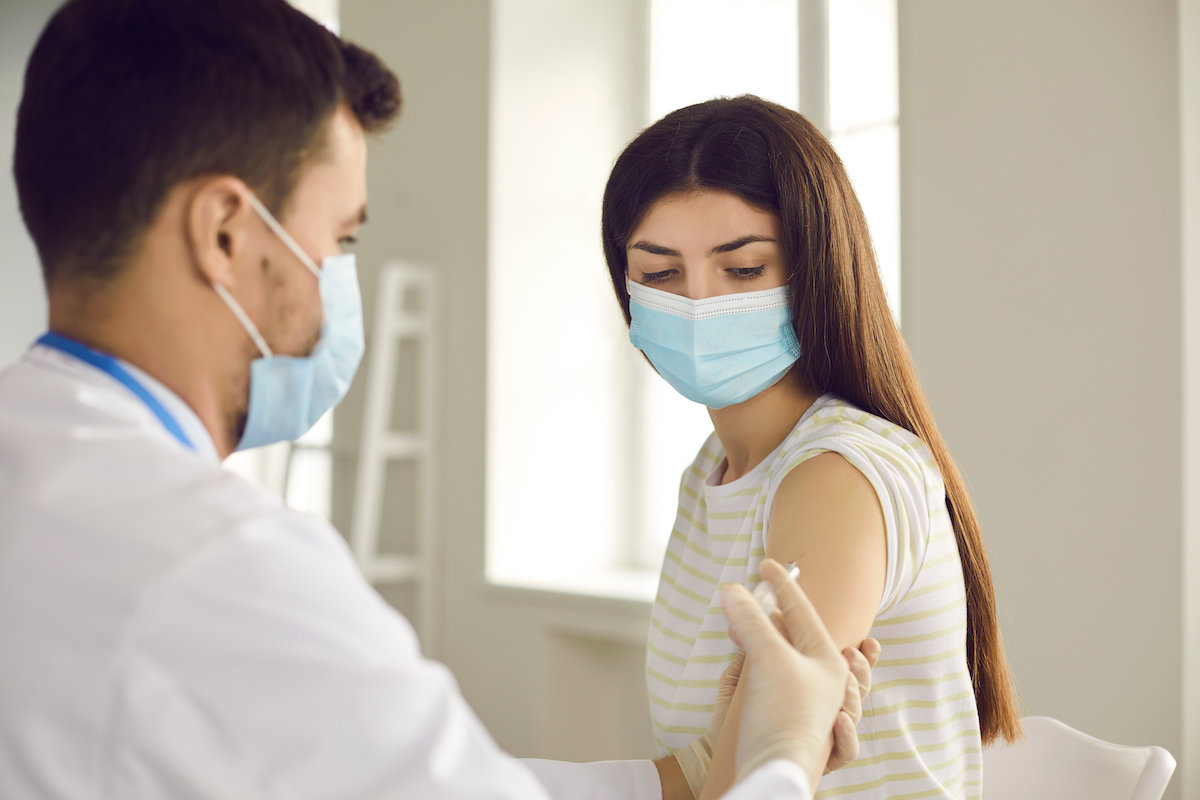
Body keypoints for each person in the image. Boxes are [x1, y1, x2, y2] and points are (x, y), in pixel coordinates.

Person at [0, 2, 874, 797]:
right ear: (225, 234)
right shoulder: (223, 568)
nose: (337, 284)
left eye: (741, 266)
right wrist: (782, 754)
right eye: (338, 239)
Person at [600, 96, 1023, 799]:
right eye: (660, 274)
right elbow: (711, 768)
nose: (699, 303)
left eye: (743, 269)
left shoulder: (835, 477)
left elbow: (742, 781)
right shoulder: (710, 473)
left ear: (818, 271)